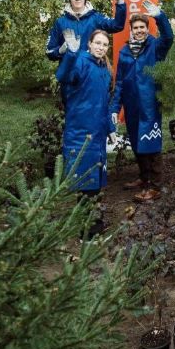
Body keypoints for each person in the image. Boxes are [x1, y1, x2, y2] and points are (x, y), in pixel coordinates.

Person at [110, 0, 174, 204]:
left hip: (150, 105)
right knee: (137, 143)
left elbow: (169, 38)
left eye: (142, 27)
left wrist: (160, 17)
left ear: (147, 29)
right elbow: (119, 82)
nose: (139, 31)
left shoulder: (155, 47)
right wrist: (114, 108)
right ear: (131, 30)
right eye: (135, 28)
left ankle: (155, 186)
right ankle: (143, 177)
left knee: (151, 144)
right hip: (132, 107)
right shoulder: (124, 52)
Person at [56, 29, 117, 235]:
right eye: (97, 43)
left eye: (104, 45)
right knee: (85, 182)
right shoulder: (81, 62)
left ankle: (93, 223)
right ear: (89, 44)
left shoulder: (104, 70)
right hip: (81, 132)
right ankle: (87, 230)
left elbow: (104, 104)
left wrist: (111, 128)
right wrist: (71, 54)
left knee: (95, 182)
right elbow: (64, 76)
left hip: (97, 133)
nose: (100, 47)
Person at [46, 0, 127, 102]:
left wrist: (120, 3)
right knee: (72, 114)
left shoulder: (95, 18)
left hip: (92, 74)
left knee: (94, 111)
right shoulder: (61, 22)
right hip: (70, 77)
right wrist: (61, 50)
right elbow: (49, 51)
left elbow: (117, 25)